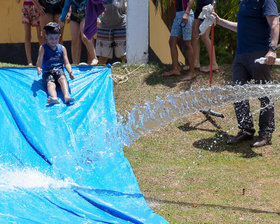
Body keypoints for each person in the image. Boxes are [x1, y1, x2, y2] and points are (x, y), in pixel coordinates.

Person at [213, 0, 279, 147]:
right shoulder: (244, 2)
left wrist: (272, 49)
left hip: (260, 54)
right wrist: (219, 21)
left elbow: (274, 23)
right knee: (238, 92)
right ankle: (246, 129)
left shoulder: (266, 1)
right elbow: (242, 27)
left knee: (264, 94)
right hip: (241, 55)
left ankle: (265, 133)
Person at [36, 22, 75, 104]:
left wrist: (70, 72)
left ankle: (66, 96)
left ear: (59, 36)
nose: (53, 41)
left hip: (59, 70)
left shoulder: (62, 48)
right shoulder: (43, 48)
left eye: (56, 38)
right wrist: (39, 68)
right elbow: (39, 61)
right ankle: (54, 97)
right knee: (50, 83)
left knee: (63, 79)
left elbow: (67, 63)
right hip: (48, 72)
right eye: (51, 38)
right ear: (46, 36)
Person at [162, 0, 195, 81]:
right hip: (178, 15)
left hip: (186, 14)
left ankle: (192, 72)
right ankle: (175, 69)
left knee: (187, 44)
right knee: (172, 41)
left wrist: (186, 13)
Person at [59, 0, 98, 65]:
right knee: (74, 39)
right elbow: (66, 6)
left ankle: (94, 58)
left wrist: (97, 17)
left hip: (86, 15)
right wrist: (62, 19)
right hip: (74, 16)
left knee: (85, 36)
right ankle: (75, 62)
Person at [96, 0, 127, 64]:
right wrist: (97, 17)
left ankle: (126, 67)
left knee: (124, 53)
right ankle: (100, 71)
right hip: (104, 26)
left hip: (121, 25)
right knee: (103, 56)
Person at [191, 0, 218, 72]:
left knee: (204, 36)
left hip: (208, 6)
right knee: (194, 35)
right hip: (199, 7)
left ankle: (214, 64)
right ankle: (196, 62)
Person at [16, 0, 43, 66]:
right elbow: (17, 1)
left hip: (37, 6)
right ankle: (29, 62)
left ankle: (41, 60)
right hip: (26, 6)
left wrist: (39, 6)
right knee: (27, 35)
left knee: (40, 35)